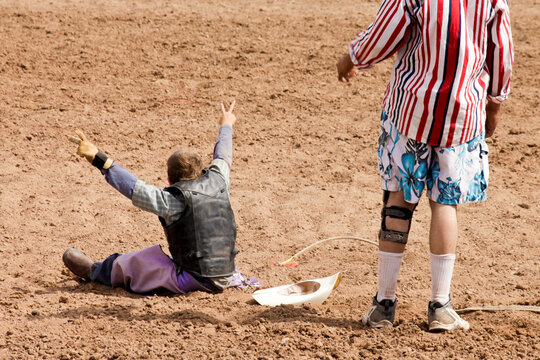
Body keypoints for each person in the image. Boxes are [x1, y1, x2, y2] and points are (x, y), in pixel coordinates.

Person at [336, 0, 513, 331]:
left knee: (398, 201)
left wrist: (352, 58)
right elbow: (501, 51)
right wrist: (494, 106)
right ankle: (441, 306)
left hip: (410, 113)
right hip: (462, 117)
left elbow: (383, 34)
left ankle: (383, 306)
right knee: (445, 203)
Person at [63, 101, 253, 294]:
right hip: (227, 273)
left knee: (137, 262)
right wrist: (226, 124)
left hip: (196, 279)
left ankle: (95, 272)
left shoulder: (174, 200)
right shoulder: (220, 178)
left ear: (169, 179)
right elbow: (223, 155)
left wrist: (99, 158)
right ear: (201, 172)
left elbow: (134, 189)